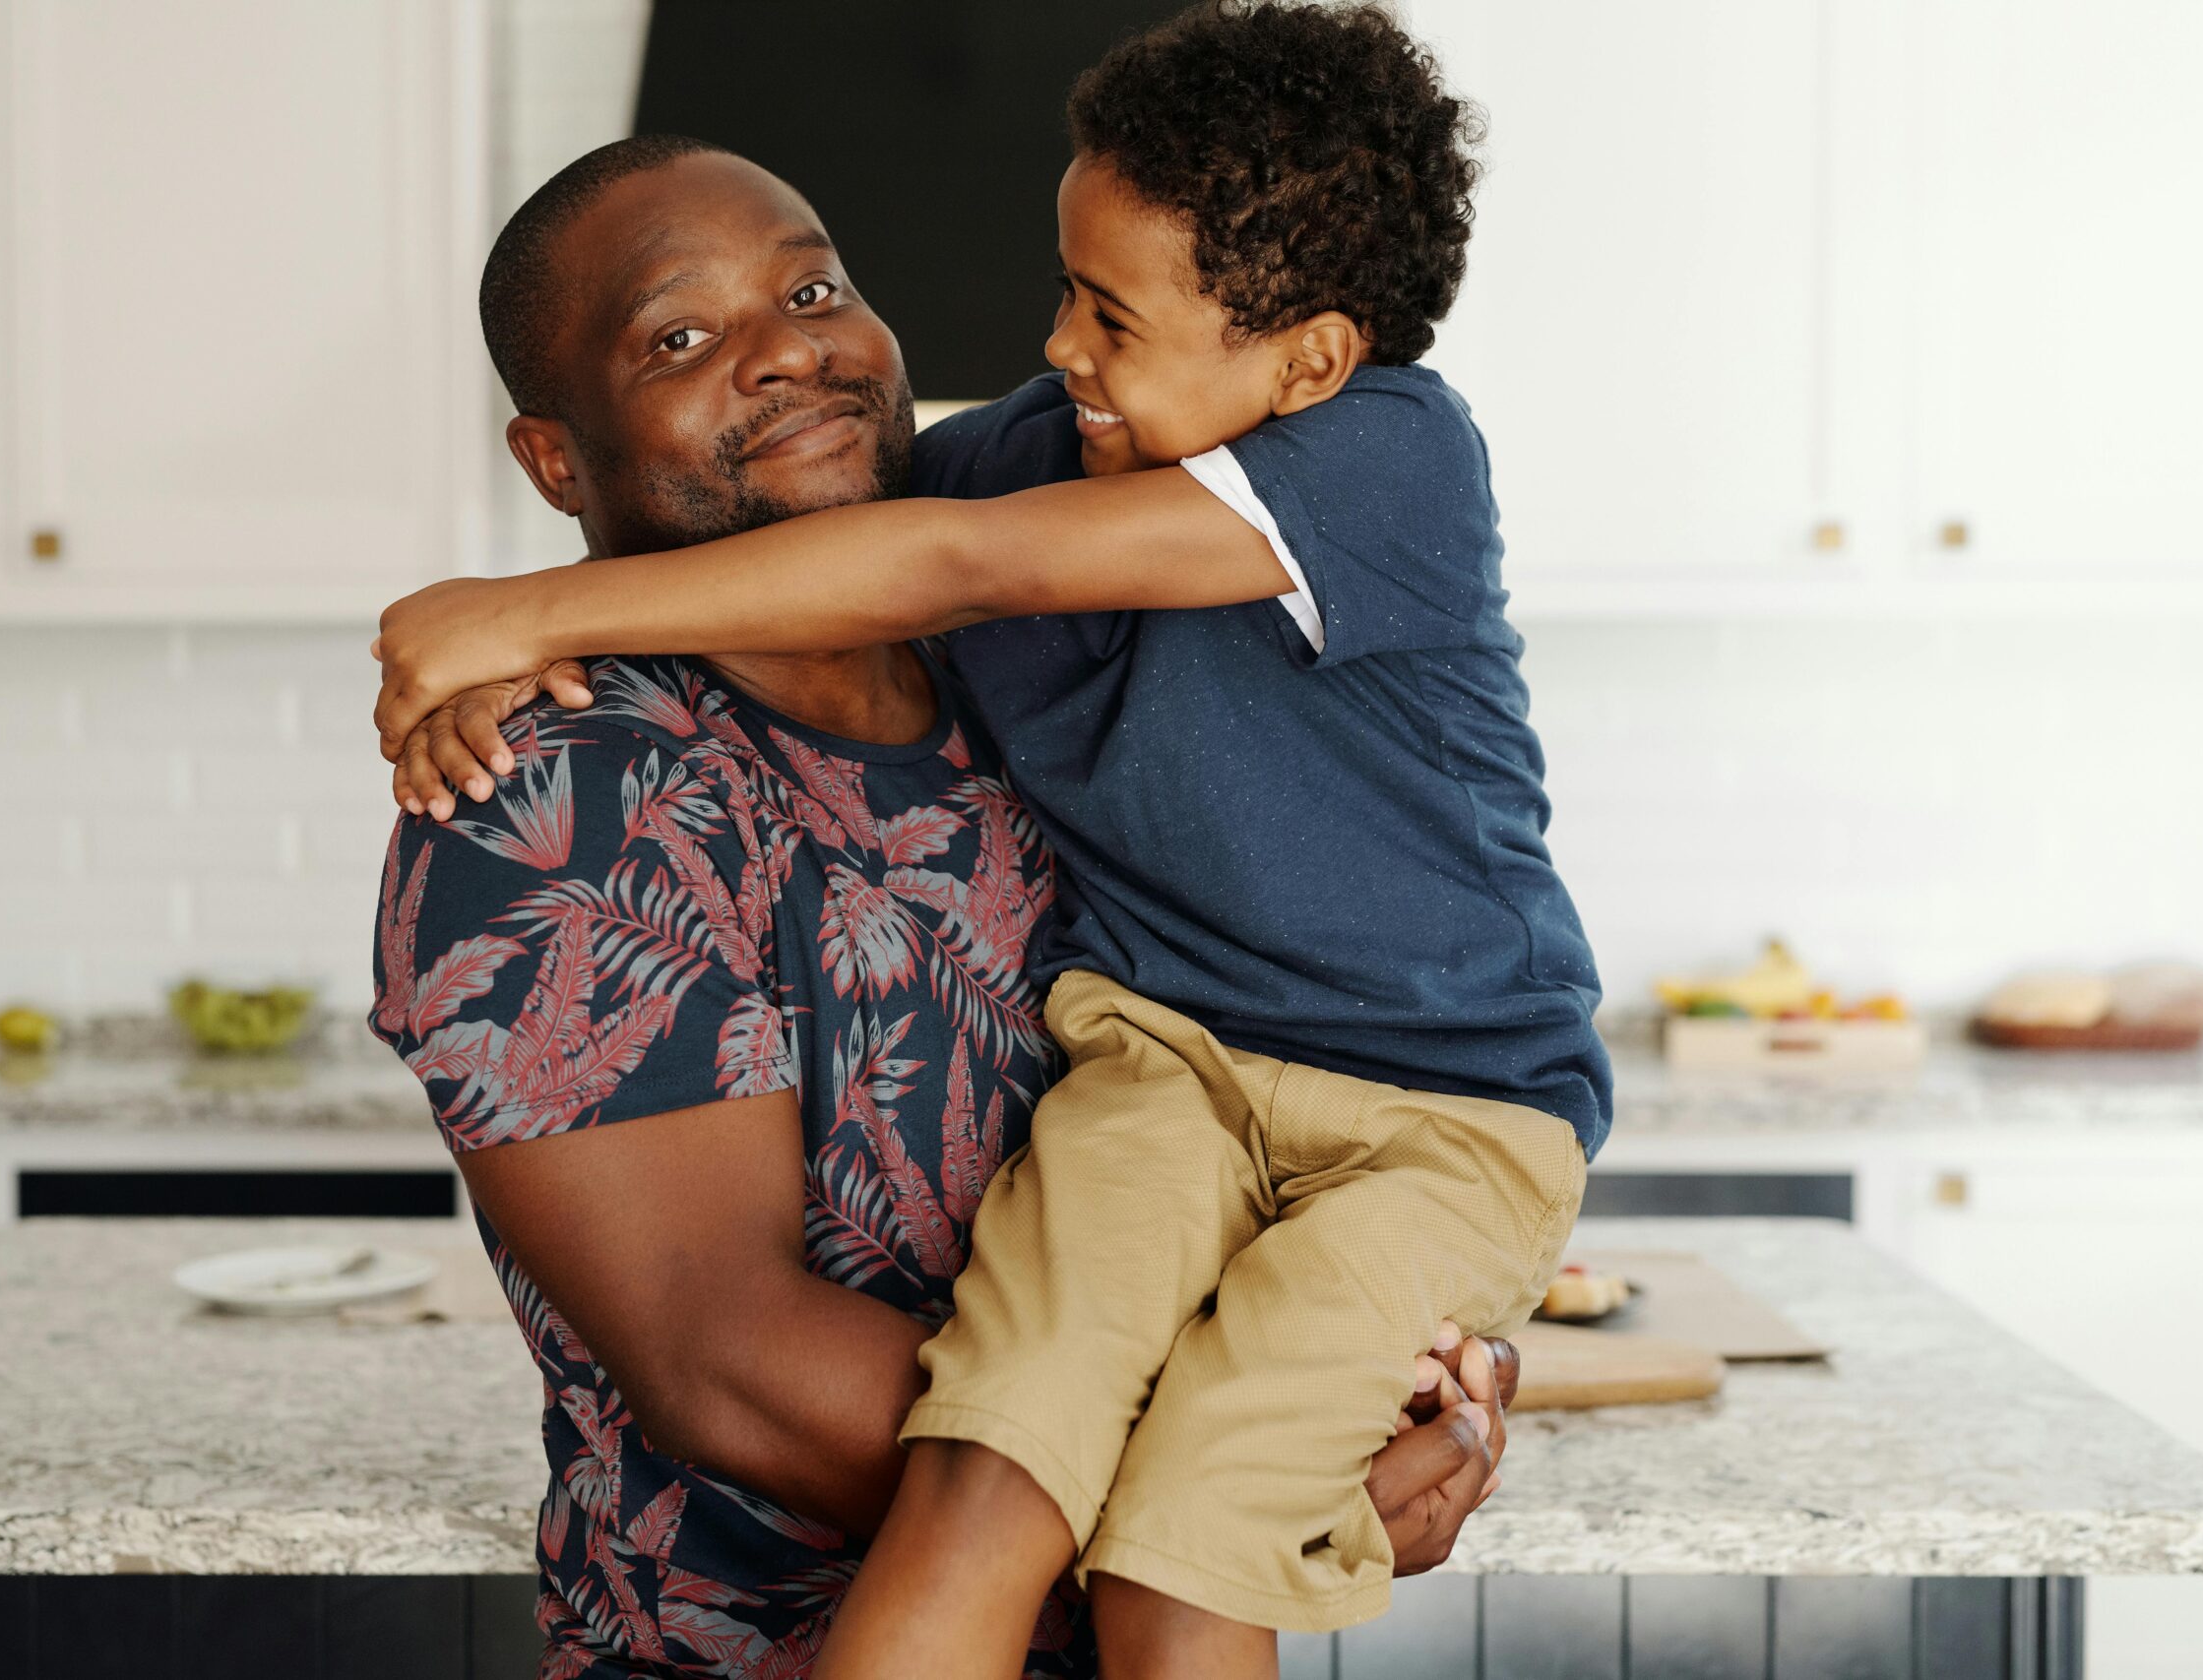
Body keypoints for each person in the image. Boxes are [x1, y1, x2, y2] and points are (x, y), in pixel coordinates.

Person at [371, 130, 1521, 1680]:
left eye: (816, 286)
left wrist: (1393, 1372)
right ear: (557, 461)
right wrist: (1248, 1498)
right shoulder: (565, 790)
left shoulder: (1027, 671)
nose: (791, 352)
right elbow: (731, 1365)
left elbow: (1276, 1112)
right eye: (684, 336)